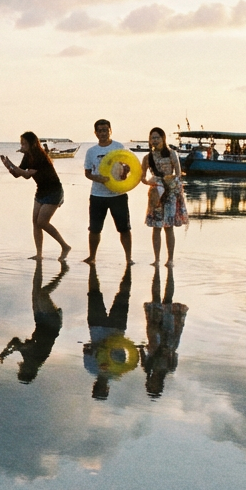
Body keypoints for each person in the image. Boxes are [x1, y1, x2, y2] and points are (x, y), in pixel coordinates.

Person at [1, 131, 71, 260]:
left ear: (32, 144)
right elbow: (18, 174)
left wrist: (12, 164)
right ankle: (39, 254)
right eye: (21, 143)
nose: (21, 145)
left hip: (54, 191)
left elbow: (27, 174)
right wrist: (9, 167)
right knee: (35, 222)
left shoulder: (39, 156)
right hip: (41, 191)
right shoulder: (28, 156)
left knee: (42, 222)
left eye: (24, 143)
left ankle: (65, 246)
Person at [0, 260, 67, 384]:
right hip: (52, 323)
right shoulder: (39, 358)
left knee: (35, 290)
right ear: (32, 370)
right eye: (24, 370)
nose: (22, 367)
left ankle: (39, 264)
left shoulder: (27, 358)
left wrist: (7, 350)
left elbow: (15, 340)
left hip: (40, 321)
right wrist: (11, 350)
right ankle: (62, 273)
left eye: (21, 370)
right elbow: (24, 346)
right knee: (42, 294)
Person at [82, 119, 132, 265]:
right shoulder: (91, 151)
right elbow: (87, 173)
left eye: (105, 130)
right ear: (95, 133)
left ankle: (128, 259)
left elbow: (127, 167)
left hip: (118, 195)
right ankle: (92, 257)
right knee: (94, 229)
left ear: (110, 131)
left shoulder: (118, 147)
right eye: (100, 130)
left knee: (124, 228)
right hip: (98, 195)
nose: (103, 133)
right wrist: (97, 178)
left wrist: (125, 173)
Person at [140, 127, 187, 267]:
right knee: (156, 227)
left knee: (168, 227)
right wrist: (150, 182)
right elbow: (142, 177)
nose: (154, 140)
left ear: (163, 138)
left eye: (157, 137)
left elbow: (178, 174)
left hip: (171, 192)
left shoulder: (172, 154)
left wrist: (171, 184)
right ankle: (157, 259)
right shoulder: (147, 158)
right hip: (156, 192)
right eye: (152, 138)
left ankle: (170, 259)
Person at [84, 266, 133, 400]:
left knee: (94, 293)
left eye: (97, 388)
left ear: (94, 386)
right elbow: (123, 350)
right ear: (107, 388)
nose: (100, 386)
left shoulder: (90, 368)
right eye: (102, 389)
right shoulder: (117, 371)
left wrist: (96, 347)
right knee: (124, 295)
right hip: (117, 328)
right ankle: (128, 268)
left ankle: (92, 267)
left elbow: (86, 348)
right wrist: (108, 346)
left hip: (96, 326)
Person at [141, 266, 187, 398]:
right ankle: (169, 272)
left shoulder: (147, 367)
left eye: (151, 385)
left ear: (148, 383)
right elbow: (174, 353)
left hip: (154, 334)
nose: (153, 382)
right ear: (160, 385)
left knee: (156, 300)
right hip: (169, 338)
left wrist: (147, 347)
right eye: (155, 386)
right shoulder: (170, 368)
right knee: (168, 301)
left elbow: (141, 350)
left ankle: (159, 271)